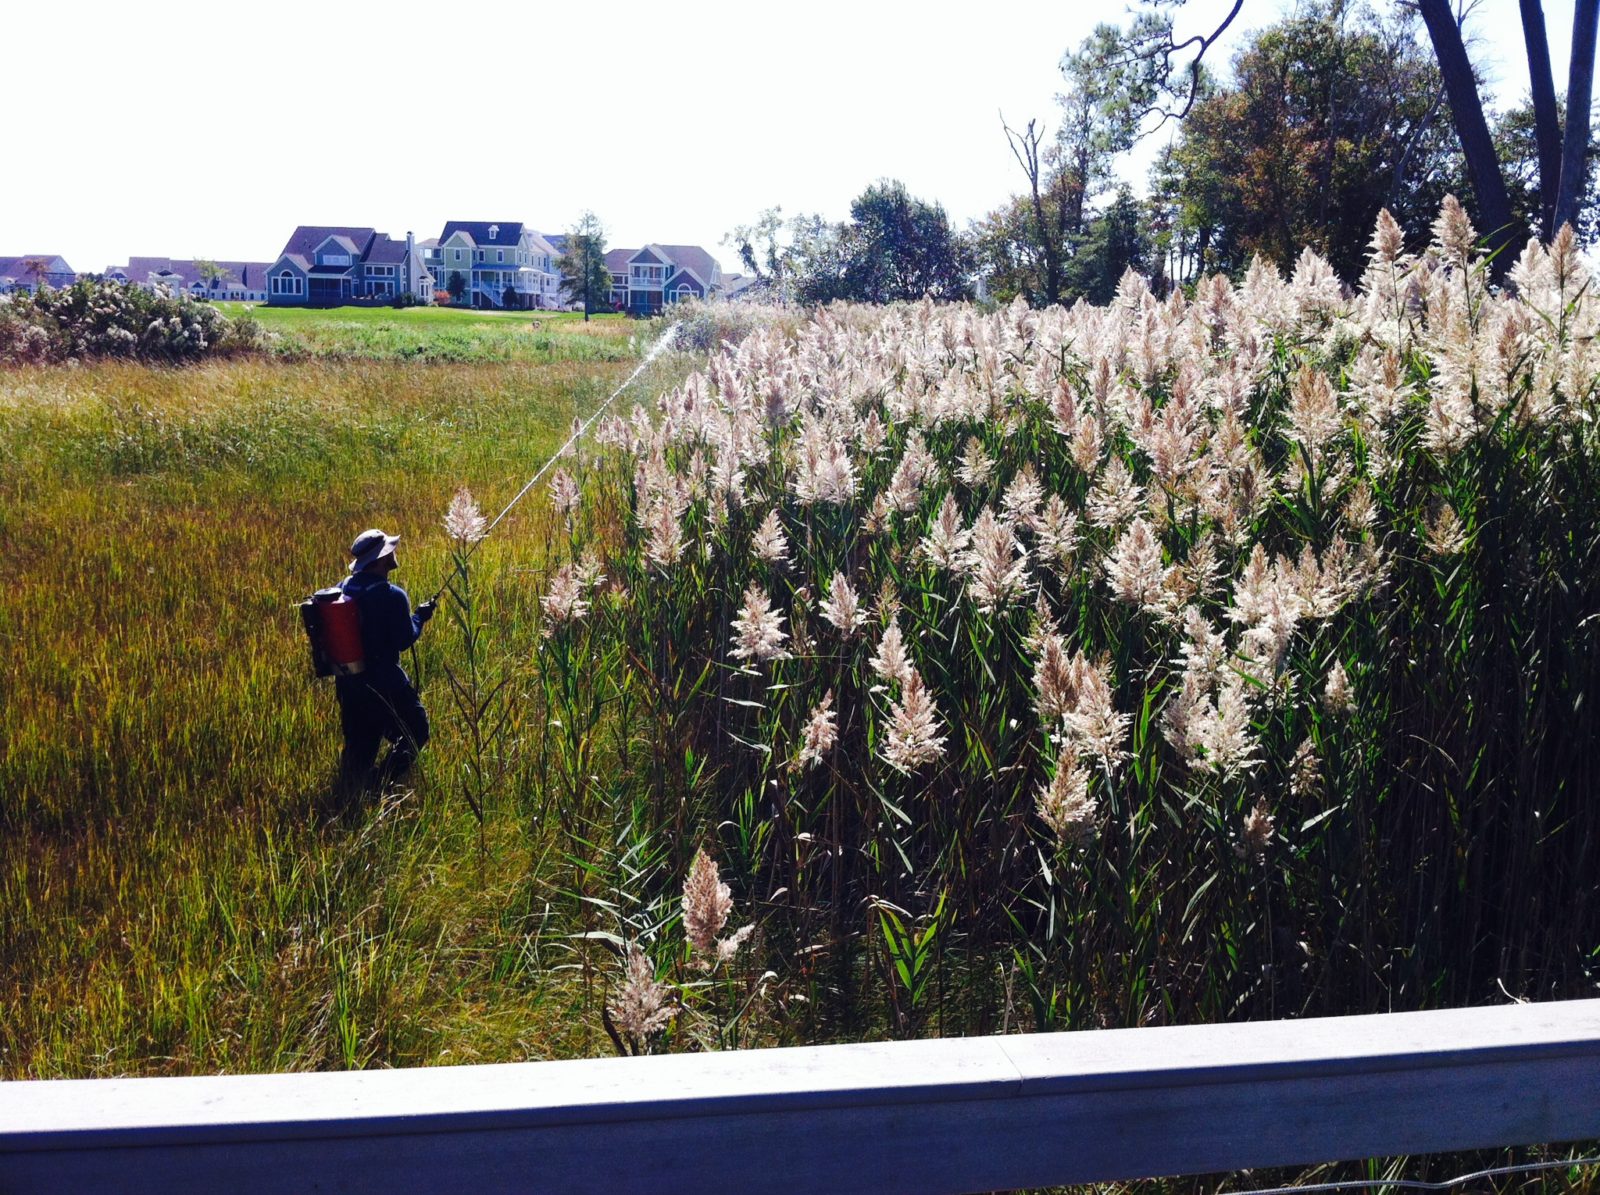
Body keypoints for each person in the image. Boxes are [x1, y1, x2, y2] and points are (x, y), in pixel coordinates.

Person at [334, 528, 436, 802]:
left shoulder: (345, 587)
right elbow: (404, 640)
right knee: (416, 731)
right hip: (386, 685)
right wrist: (420, 618)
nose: (394, 554)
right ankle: (380, 783)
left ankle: (350, 793)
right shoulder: (393, 595)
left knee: (360, 745)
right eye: (390, 551)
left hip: (350, 683)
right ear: (380, 560)